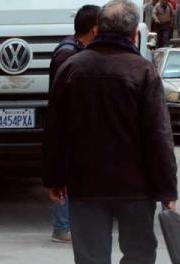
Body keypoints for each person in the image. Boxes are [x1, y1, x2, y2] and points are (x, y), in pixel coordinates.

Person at [44, 1, 178, 264]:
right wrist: (167, 191)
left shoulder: (72, 69)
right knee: (139, 251)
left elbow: (54, 131)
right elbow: (159, 136)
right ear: (134, 33)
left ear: (99, 29)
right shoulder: (142, 71)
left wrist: (54, 178)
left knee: (91, 258)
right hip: (136, 187)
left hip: (86, 186)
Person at [47, 4, 100, 244]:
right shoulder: (68, 54)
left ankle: (67, 225)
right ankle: (62, 227)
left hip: (71, 125)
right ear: (95, 29)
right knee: (66, 176)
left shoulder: (70, 49)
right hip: (69, 127)